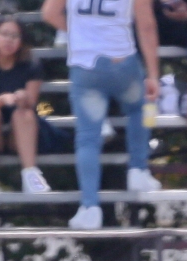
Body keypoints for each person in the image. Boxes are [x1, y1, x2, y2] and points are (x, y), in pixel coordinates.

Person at [44, 0, 160, 229]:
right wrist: (154, 74)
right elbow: (147, 26)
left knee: (87, 138)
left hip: (85, 66)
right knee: (144, 108)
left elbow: (49, 13)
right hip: (122, 60)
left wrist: (80, 32)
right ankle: (138, 168)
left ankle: (90, 207)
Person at [0, 17, 50, 195]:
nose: (9, 40)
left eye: (15, 36)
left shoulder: (31, 64)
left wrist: (23, 98)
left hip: (20, 134)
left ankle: (31, 174)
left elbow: (32, 102)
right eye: (4, 34)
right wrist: (3, 99)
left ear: (21, 41)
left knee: (24, 113)